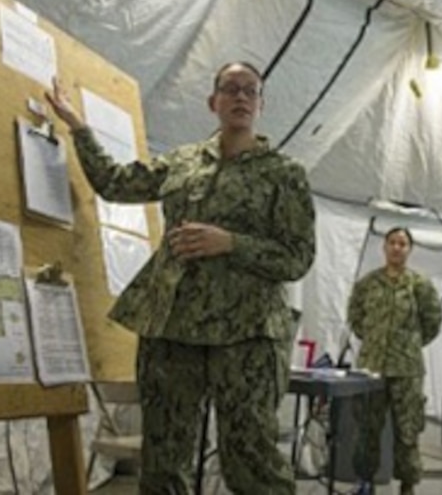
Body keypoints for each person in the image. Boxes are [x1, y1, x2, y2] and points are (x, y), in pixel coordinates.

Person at [45, 61, 316, 495]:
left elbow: (298, 257)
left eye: (250, 90)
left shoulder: (284, 174)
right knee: (164, 455)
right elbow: (116, 184)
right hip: (173, 328)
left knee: (250, 458)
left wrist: (231, 243)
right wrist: (78, 127)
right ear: (214, 102)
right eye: (231, 89)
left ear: (261, 104)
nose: (241, 97)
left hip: (246, 335)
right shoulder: (182, 162)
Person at [346, 227, 442, 495]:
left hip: (407, 369)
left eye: (403, 243)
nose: (397, 247)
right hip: (372, 368)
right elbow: (355, 318)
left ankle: (408, 485)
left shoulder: (420, 285)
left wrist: (408, 345)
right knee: (367, 428)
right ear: (384, 247)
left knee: (407, 430)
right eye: (392, 242)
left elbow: (432, 322)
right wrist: (376, 340)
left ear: (409, 249)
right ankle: (364, 481)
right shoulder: (367, 284)